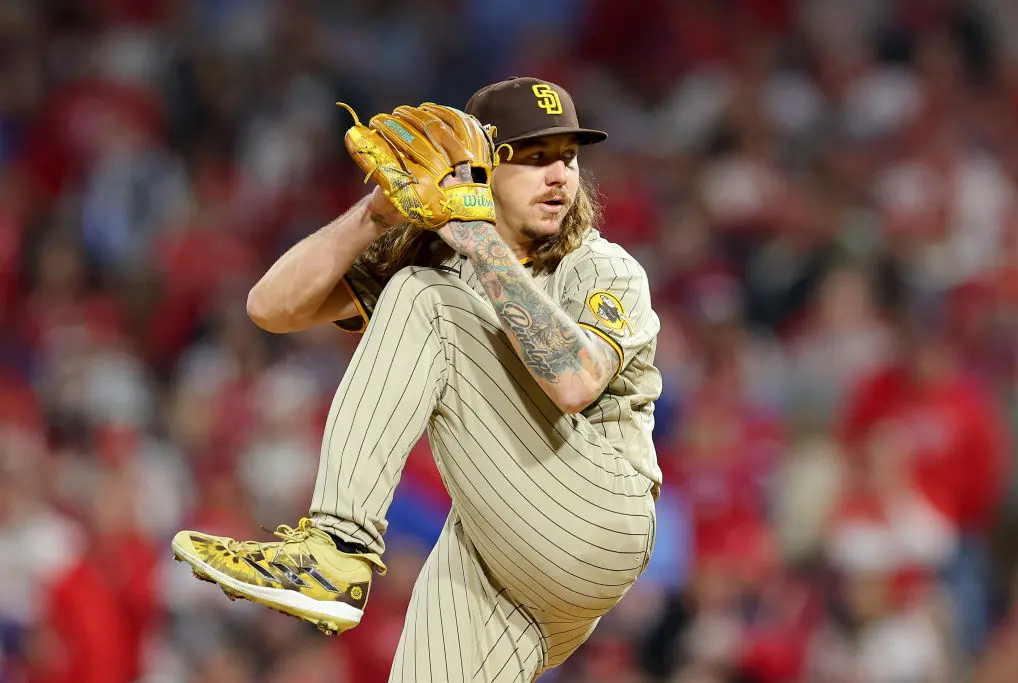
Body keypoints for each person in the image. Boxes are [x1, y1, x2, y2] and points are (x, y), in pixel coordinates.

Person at [171, 76, 662, 682]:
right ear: (479, 167)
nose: (559, 174)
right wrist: (377, 213)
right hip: (499, 551)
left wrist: (477, 236)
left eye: (567, 156)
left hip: (598, 512)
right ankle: (335, 554)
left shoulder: (604, 266)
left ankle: (339, 547)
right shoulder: (441, 258)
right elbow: (271, 307)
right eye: (534, 157)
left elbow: (573, 383)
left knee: (421, 295)